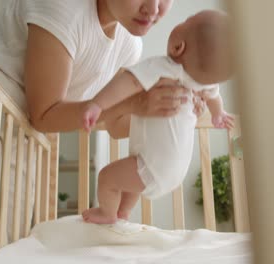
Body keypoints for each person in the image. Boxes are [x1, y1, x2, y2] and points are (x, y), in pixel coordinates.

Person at [81, 10, 234, 224]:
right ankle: (122, 212)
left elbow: (128, 82)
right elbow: (215, 97)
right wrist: (218, 114)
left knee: (107, 177)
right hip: (173, 171)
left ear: (178, 46)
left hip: (152, 165)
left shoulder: (164, 68)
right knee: (132, 177)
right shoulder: (202, 85)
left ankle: (107, 213)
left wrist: (97, 104)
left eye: (185, 20)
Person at [0, 0, 206, 140]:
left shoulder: (129, 44)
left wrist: (171, 108)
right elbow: (43, 115)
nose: (153, 9)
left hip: (23, 134)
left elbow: (115, 124)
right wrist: (135, 103)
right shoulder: (65, 9)